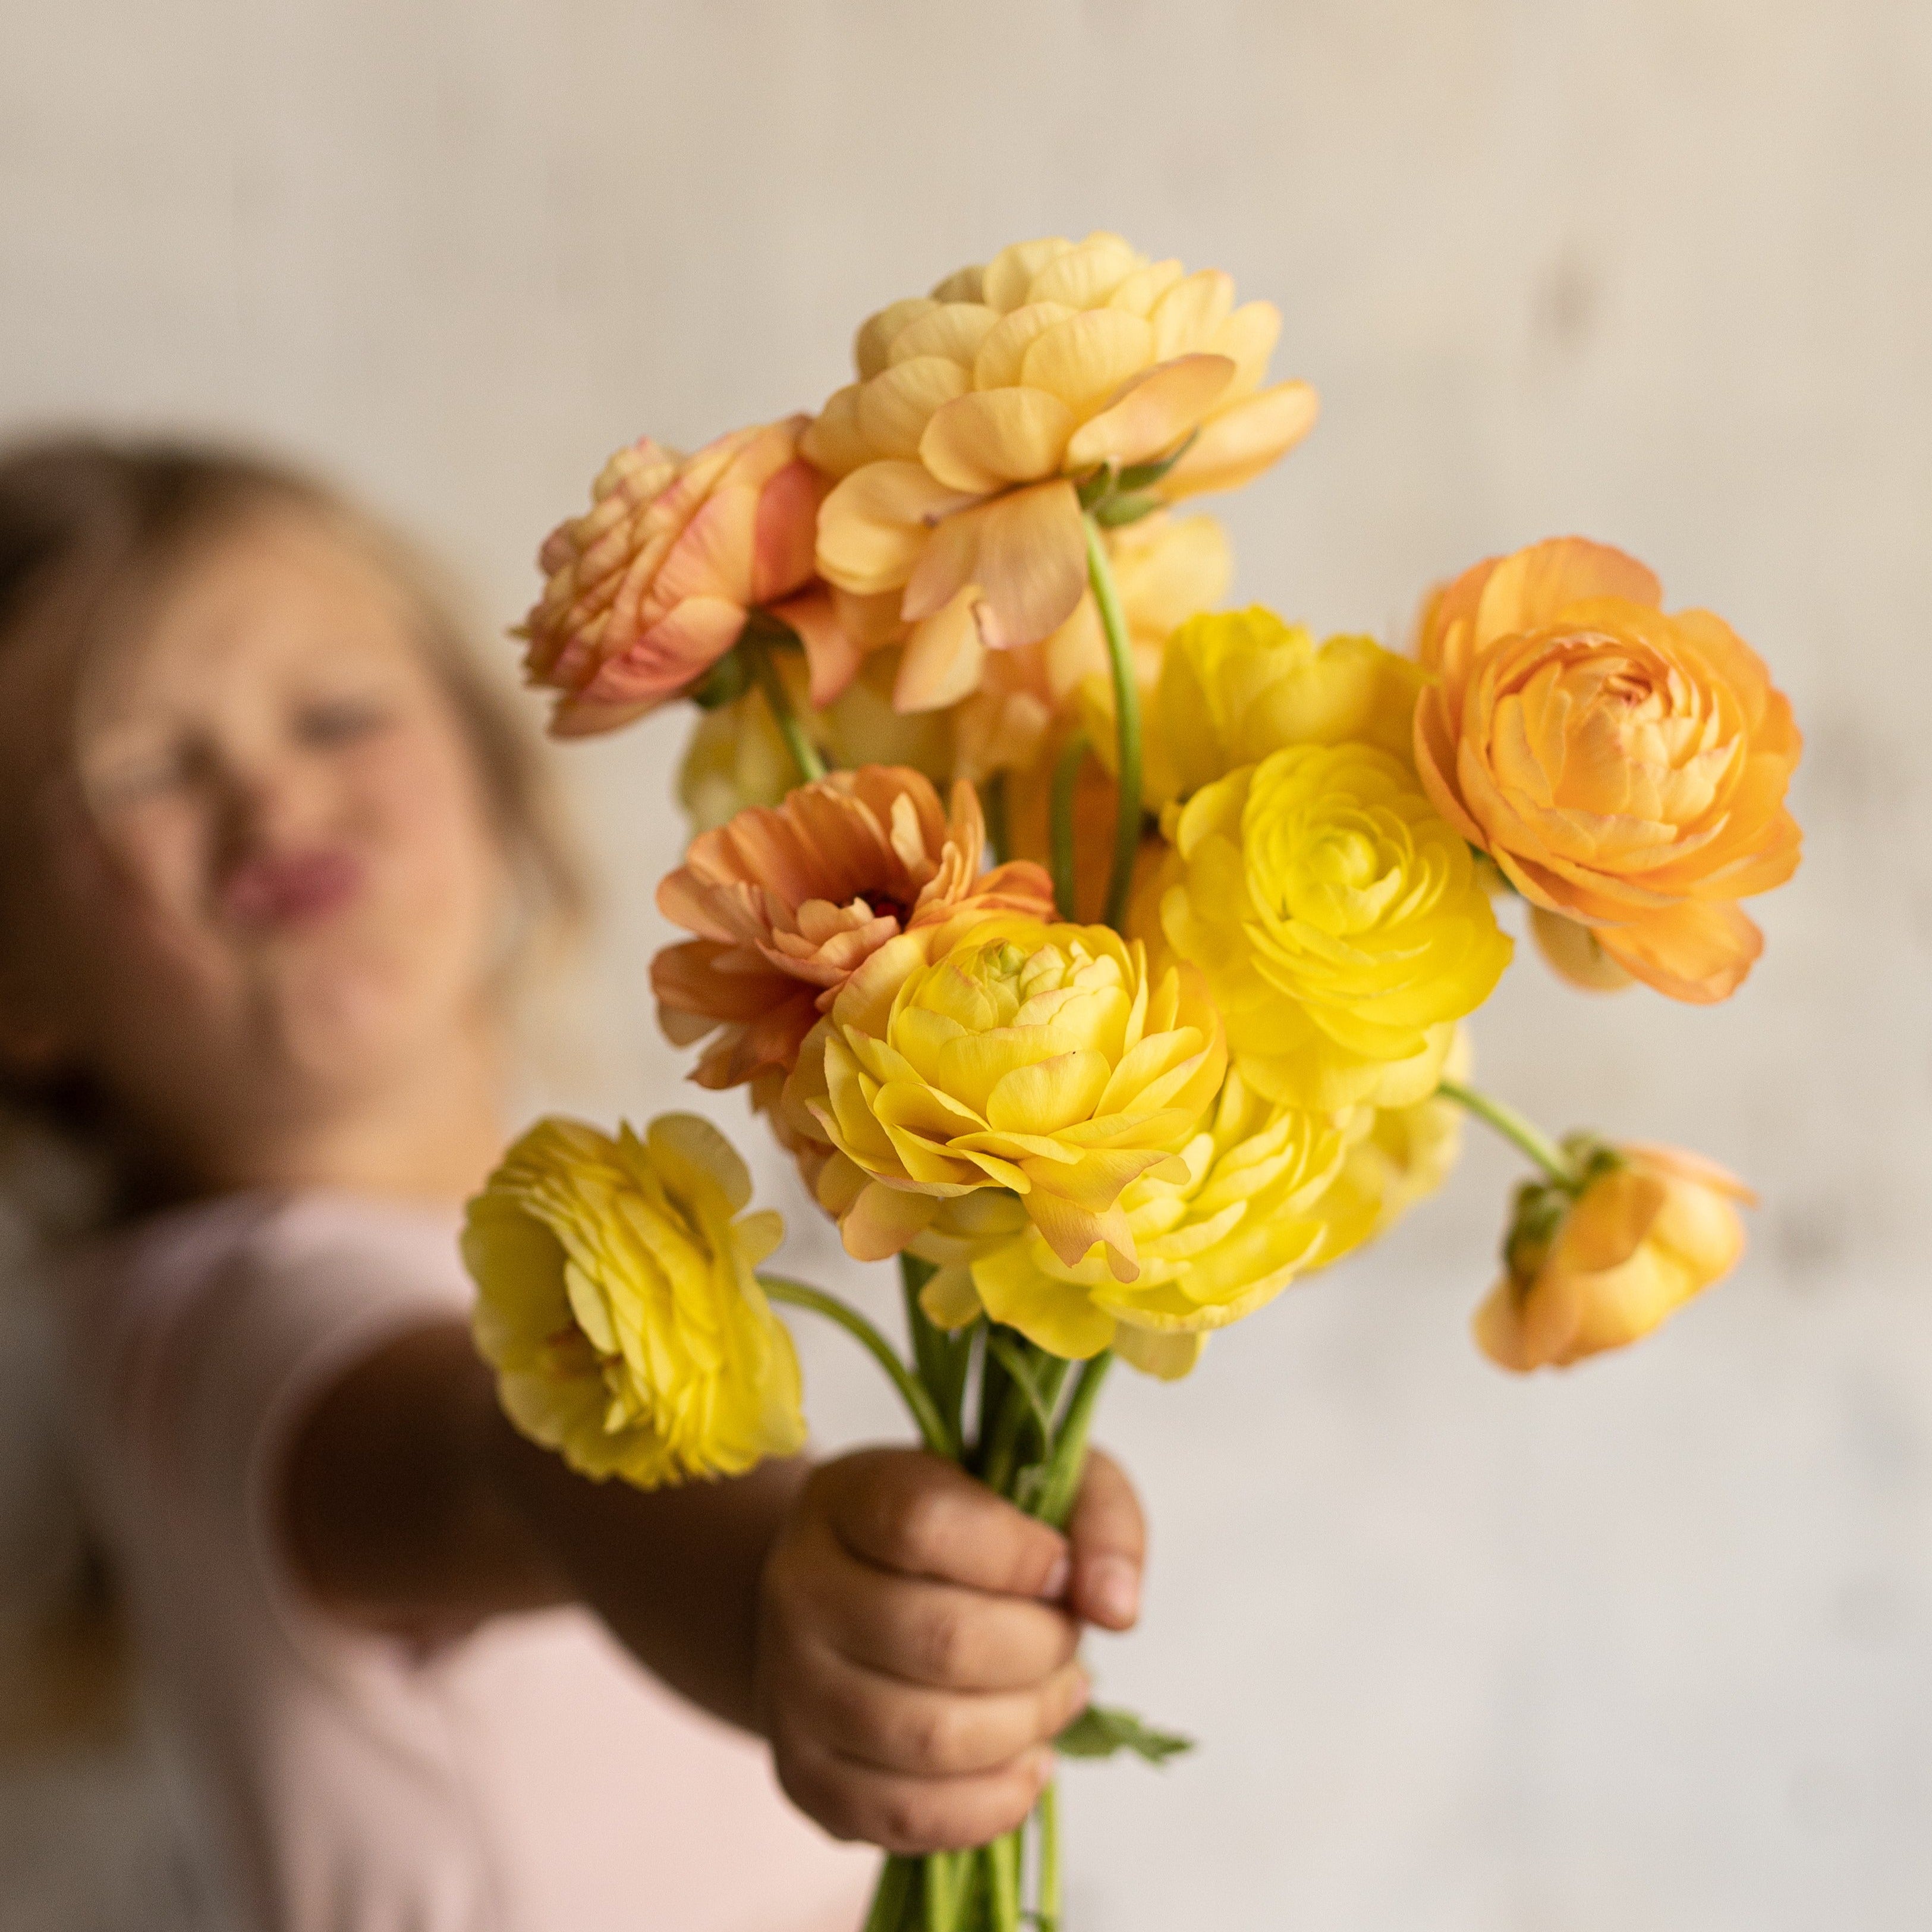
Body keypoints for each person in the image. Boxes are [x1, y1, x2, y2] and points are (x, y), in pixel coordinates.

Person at [0, 436, 1148, 1932]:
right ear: (18, 980)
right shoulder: (232, 1332)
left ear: (494, 791)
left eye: (337, 717)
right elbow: (515, 1459)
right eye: (140, 769)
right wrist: (769, 1585)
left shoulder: (528, 1239)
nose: (270, 799)